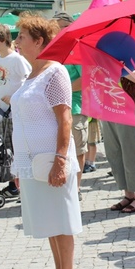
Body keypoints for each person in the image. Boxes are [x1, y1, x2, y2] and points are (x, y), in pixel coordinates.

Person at [11, 13, 82, 269]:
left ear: (39, 41)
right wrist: (19, 166)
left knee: (61, 222)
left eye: (21, 37)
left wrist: (60, 160)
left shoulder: (55, 72)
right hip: (32, 162)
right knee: (51, 222)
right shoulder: (31, 75)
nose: (16, 42)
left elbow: (64, 119)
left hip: (53, 160)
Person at [0, 23, 32, 198]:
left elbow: (29, 81)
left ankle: (22, 186)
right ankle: (14, 184)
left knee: (18, 148)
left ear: (3, 40)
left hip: (17, 112)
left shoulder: (17, 59)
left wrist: (14, 96)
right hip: (2, 112)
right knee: (6, 150)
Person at [53, 12, 87, 201]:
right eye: (56, 27)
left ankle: (77, 186)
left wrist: (62, 91)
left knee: (78, 149)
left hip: (75, 107)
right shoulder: (55, 49)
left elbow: (84, 80)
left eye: (63, 26)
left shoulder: (77, 48)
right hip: (57, 108)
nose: (59, 31)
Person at [106, 68, 135, 213]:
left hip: (132, 108)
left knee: (132, 153)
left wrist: (120, 69)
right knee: (115, 153)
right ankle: (129, 195)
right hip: (108, 107)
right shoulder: (104, 53)